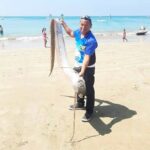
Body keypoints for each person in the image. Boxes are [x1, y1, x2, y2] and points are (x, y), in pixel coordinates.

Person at [61, 16, 98, 122]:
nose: (83, 27)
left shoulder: (91, 40)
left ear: (90, 26)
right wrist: (63, 24)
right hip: (77, 64)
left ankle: (89, 111)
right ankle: (80, 103)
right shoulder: (78, 32)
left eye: (86, 25)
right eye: (82, 24)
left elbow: (87, 57)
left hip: (88, 68)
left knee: (89, 89)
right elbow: (70, 33)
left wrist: (82, 71)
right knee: (78, 85)